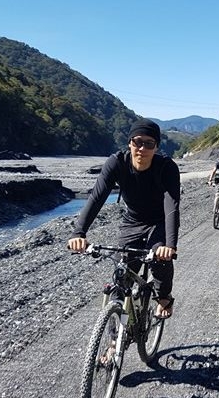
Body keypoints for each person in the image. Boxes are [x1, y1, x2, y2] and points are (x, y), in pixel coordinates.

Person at [67, 118, 180, 319]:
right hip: (133, 221)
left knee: (160, 259)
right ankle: (113, 341)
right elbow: (96, 197)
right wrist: (79, 232)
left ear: (156, 147)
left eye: (149, 143)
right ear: (129, 143)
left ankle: (164, 298)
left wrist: (170, 245)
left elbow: (172, 206)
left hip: (160, 221)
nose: (142, 148)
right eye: (137, 142)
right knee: (121, 275)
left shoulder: (167, 167)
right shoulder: (117, 163)